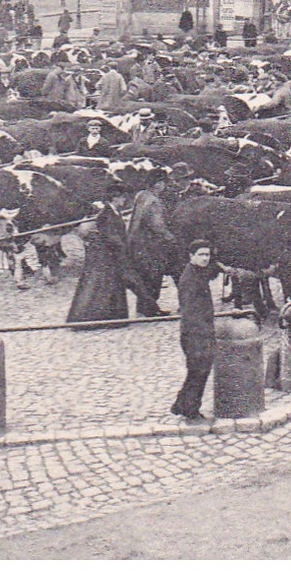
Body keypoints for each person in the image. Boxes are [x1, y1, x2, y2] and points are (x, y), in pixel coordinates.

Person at [66, 188, 132, 324]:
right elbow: (111, 236)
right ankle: (89, 317)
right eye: (122, 197)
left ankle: (113, 317)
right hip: (105, 255)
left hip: (110, 253)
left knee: (110, 285)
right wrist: (124, 248)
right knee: (101, 285)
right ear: (114, 198)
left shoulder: (114, 211)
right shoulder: (106, 214)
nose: (125, 200)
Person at [170, 240, 217, 421]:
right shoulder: (190, 279)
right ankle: (190, 409)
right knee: (198, 371)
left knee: (197, 371)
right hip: (196, 333)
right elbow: (189, 311)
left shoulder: (197, 273)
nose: (205, 258)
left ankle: (182, 405)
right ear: (192, 256)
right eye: (201, 255)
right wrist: (203, 333)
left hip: (200, 331)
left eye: (207, 255)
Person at [126, 170, 177, 317]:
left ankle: (144, 307)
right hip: (150, 246)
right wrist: (171, 239)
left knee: (144, 276)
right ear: (158, 184)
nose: (164, 186)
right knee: (153, 277)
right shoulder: (154, 201)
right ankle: (150, 309)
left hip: (137, 244)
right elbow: (158, 226)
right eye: (163, 183)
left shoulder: (141, 195)